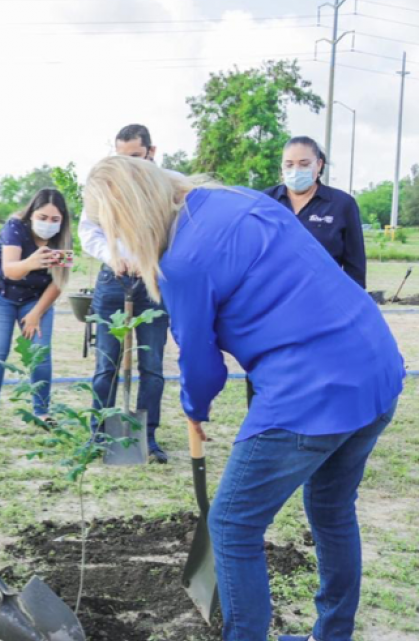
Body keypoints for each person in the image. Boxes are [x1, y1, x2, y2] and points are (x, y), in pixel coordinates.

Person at [83, 155, 404, 641]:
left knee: (232, 526)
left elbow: (199, 359)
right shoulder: (239, 200)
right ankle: (333, 635)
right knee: (333, 508)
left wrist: (194, 409)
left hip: (311, 391)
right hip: (377, 367)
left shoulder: (182, 262)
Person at [78, 124, 172, 463]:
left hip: (153, 285)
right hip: (113, 284)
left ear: (151, 151)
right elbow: (88, 230)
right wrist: (112, 256)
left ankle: (147, 438)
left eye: (134, 157)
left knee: (152, 366)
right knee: (106, 364)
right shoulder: (107, 183)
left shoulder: (169, 185)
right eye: (121, 157)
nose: (128, 165)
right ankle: (98, 434)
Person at [0, 189, 72, 434]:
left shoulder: (64, 239)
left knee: (40, 352)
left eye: (55, 220)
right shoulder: (14, 227)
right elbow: (10, 270)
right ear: (31, 214)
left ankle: (42, 412)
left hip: (36, 298)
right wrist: (33, 261)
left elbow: (59, 282)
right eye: (43, 217)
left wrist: (37, 313)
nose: (48, 224)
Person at [263, 135, 366, 288]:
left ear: (318, 165)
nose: (295, 170)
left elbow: (355, 265)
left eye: (304, 164)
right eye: (289, 164)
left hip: (323, 295)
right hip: (273, 294)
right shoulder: (264, 201)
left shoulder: (342, 204)